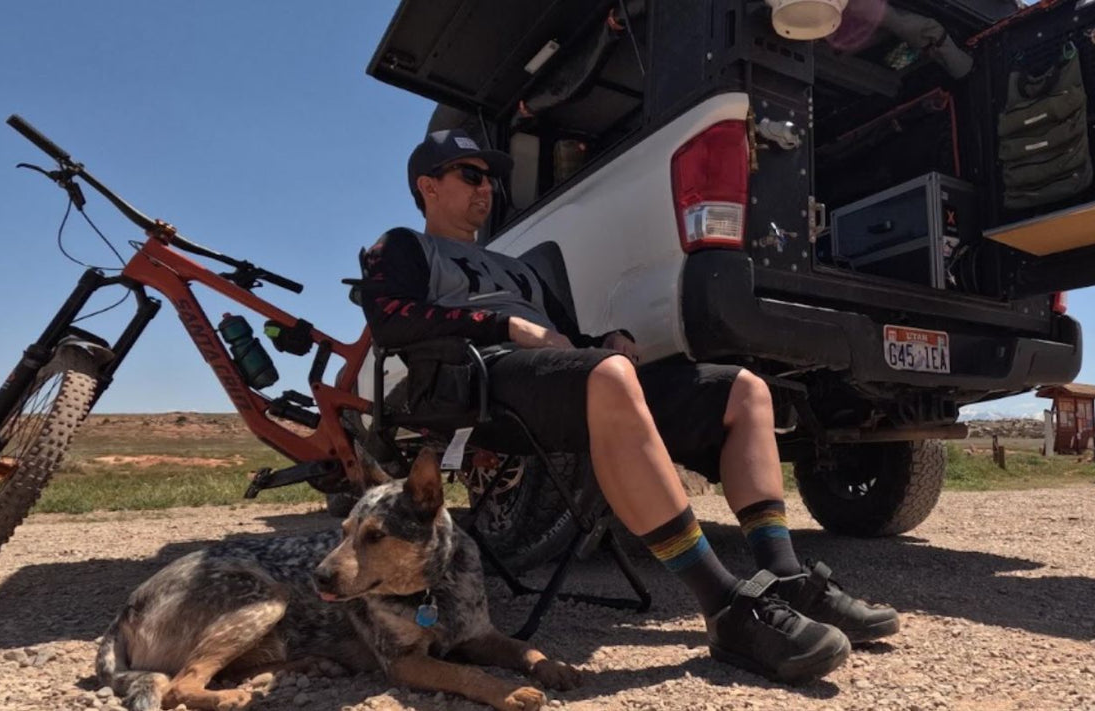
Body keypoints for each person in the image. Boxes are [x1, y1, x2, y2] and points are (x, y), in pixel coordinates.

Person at [357, 129, 899, 685]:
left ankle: (783, 576)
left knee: (744, 390)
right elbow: (392, 319)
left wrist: (607, 336)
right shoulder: (402, 246)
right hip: (480, 381)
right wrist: (500, 324)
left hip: (566, 377)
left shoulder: (518, 267)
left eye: (490, 178)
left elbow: (568, 338)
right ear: (427, 186)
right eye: (469, 175)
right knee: (609, 377)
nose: (486, 188)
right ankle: (725, 607)